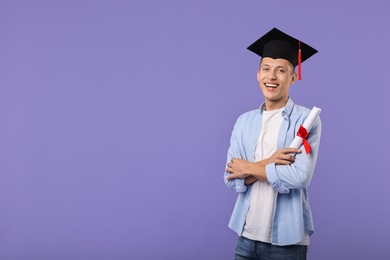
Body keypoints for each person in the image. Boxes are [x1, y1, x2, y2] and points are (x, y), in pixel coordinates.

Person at [224, 27, 322, 260]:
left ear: (293, 77)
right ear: (258, 74)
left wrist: (247, 168)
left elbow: (299, 177)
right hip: (246, 236)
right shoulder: (244, 121)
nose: (272, 77)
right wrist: (270, 161)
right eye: (266, 69)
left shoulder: (306, 120)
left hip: (287, 243)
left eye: (281, 70)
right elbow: (229, 177)